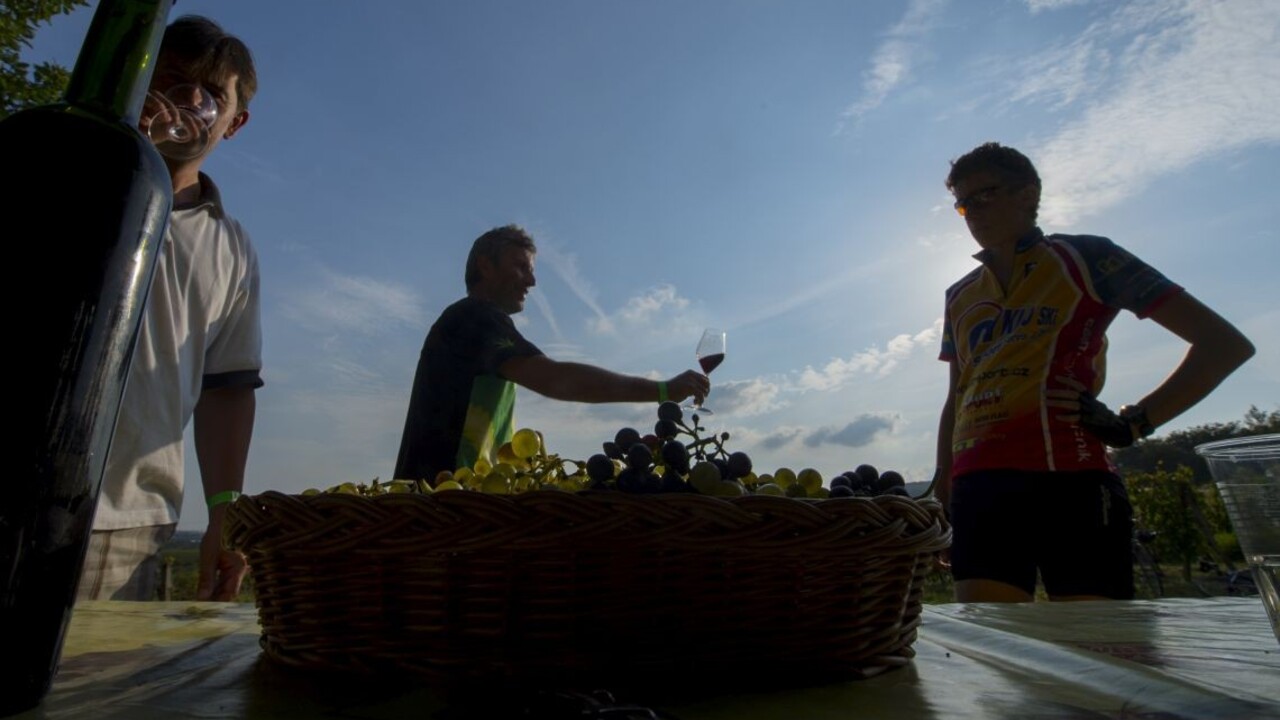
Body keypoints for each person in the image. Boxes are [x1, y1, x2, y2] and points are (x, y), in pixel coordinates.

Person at [933, 142, 1254, 603]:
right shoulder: (959, 294)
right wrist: (943, 484)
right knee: (995, 656)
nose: (972, 213)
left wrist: (1136, 421)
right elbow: (957, 395)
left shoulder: (1089, 257)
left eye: (986, 194)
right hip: (979, 488)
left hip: (1070, 480)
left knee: (1102, 650)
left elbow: (1224, 345)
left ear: (1029, 193)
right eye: (963, 203)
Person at [78, 16, 262, 602]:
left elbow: (227, 388)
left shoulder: (230, 247)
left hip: (129, 529)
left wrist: (224, 512)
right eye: (174, 79)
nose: (188, 102)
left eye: (212, 94)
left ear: (234, 123)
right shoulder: (65, 173)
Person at [395, 225, 711, 482]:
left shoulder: (471, 325)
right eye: (521, 267)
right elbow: (556, 379)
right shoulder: (476, 317)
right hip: (440, 509)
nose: (532, 281)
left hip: (449, 503)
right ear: (485, 266)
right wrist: (663, 390)